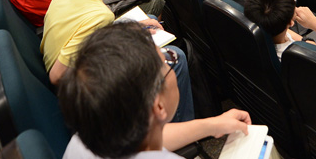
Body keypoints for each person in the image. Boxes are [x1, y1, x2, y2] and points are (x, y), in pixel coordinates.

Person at [57, 22, 251, 158]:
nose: (172, 60)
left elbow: (147, 138)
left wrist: (212, 125)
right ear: (158, 106)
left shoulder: (85, 139)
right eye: (168, 62)